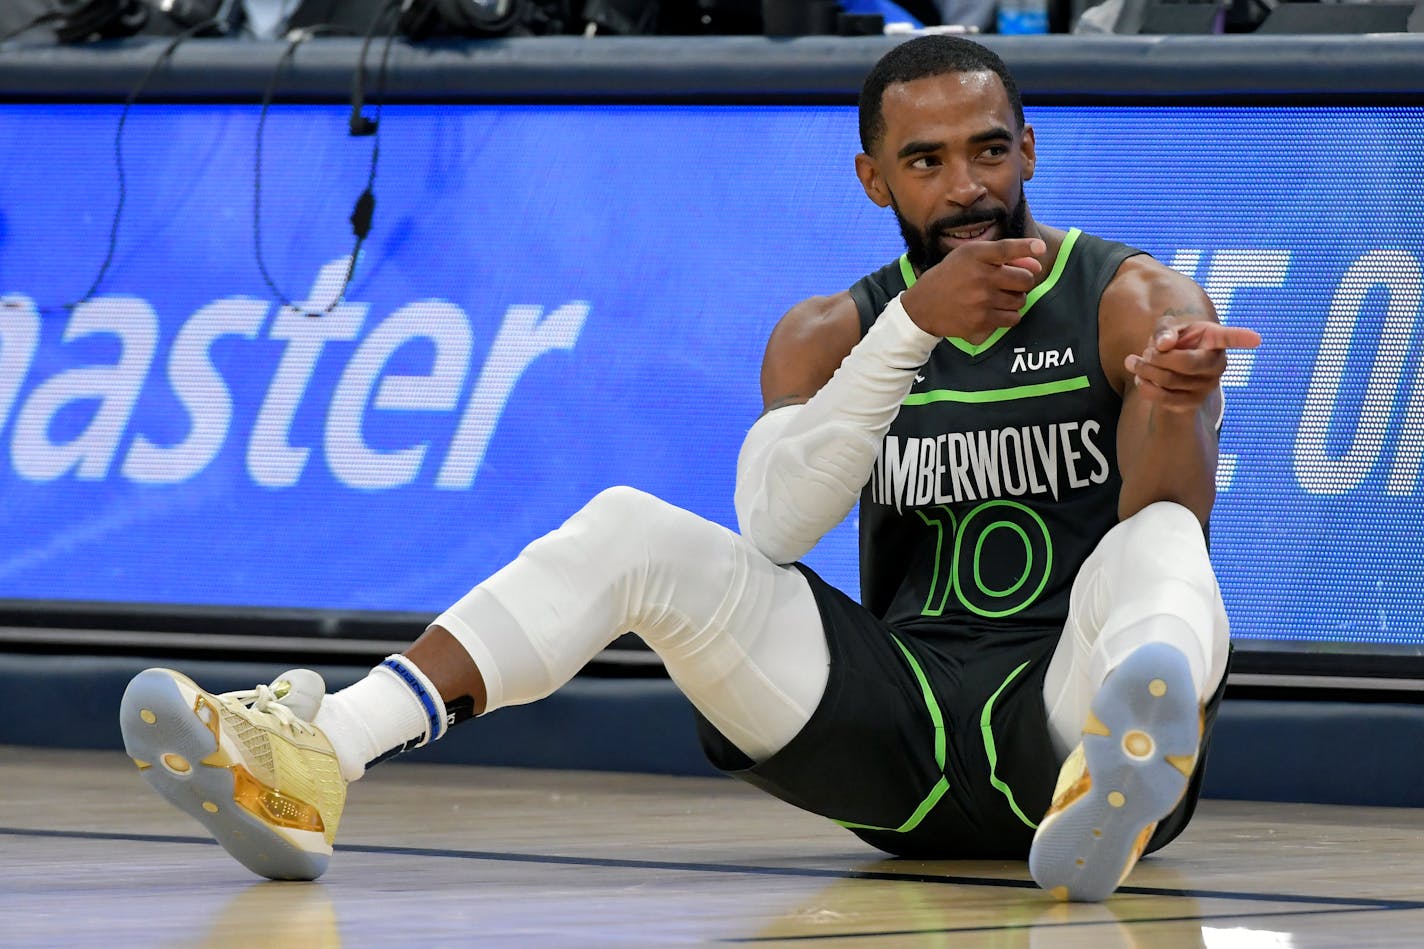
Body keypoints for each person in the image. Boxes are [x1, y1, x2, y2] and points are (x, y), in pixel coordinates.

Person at [118, 35, 1260, 902]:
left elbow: (1170, 514)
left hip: (1059, 715)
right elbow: (771, 525)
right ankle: (323, 758)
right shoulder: (828, 331)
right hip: (891, 722)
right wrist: (908, 328)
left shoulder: (1131, 299)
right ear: (874, 179)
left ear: (1026, 151)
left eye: (987, 150)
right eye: (926, 160)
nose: (963, 185)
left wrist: (1169, 400)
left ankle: (1117, 771)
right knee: (627, 527)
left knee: (1154, 543)